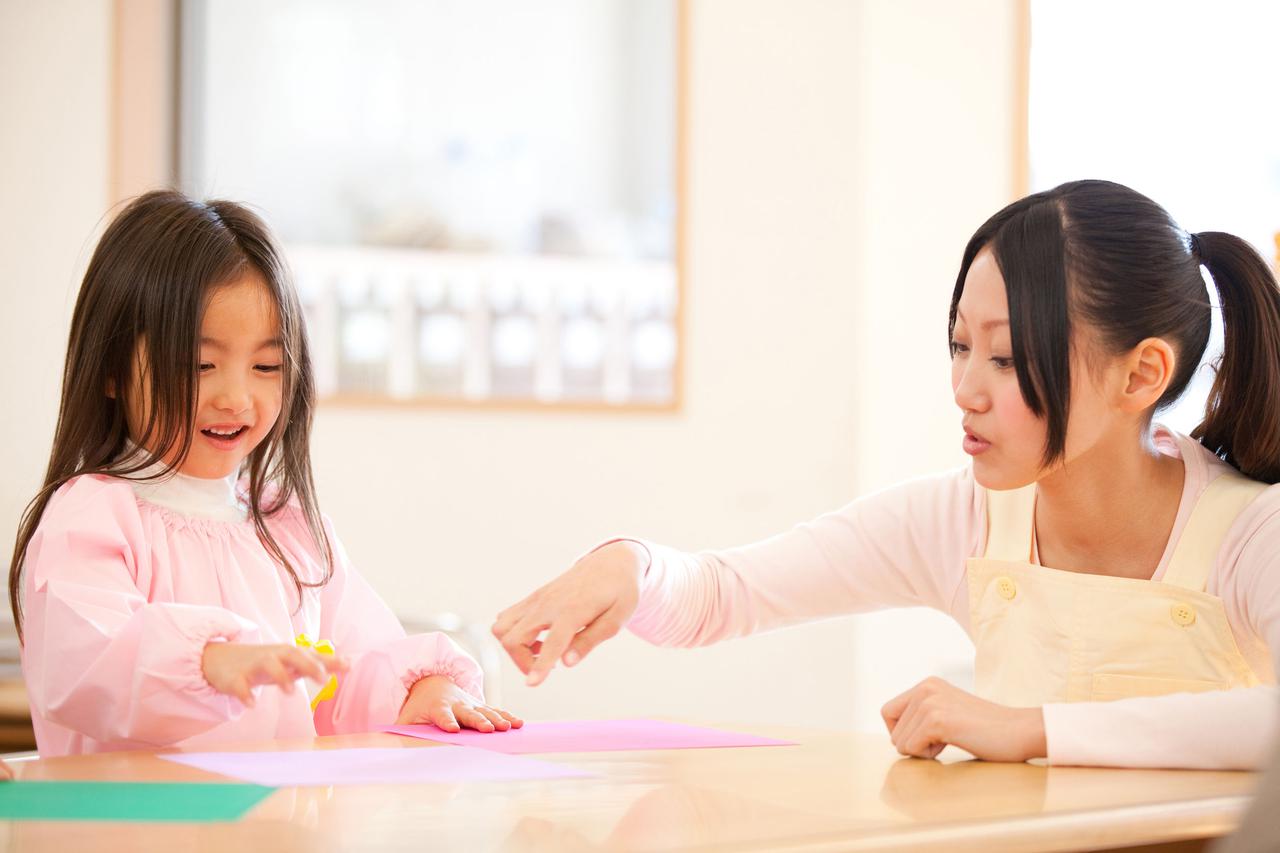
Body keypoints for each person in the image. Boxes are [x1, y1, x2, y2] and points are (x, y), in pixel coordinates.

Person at [493, 180, 1280, 769]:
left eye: (1006, 358)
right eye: (960, 344)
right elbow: (724, 594)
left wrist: (1029, 727)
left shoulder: (1249, 533)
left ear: (1141, 375)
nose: (965, 388)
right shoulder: (965, 520)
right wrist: (631, 566)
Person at [11, 190, 521, 755]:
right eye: (199, 365)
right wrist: (208, 661)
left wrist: (421, 690)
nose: (236, 397)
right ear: (111, 370)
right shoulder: (93, 515)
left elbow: (349, 666)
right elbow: (85, 665)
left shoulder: (289, 527)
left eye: (266, 366)